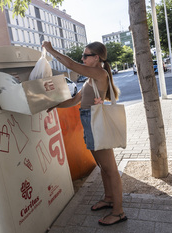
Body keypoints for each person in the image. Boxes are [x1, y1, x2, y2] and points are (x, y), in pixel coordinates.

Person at [42, 41, 127, 226]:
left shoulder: (99, 73)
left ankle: (119, 212)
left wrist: (51, 50)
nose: (82, 58)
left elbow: (72, 65)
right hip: (89, 123)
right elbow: (74, 100)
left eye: (86, 55)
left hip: (97, 124)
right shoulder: (90, 80)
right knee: (103, 167)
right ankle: (109, 198)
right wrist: (54, 105)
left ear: (96, 58)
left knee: (111, 169)